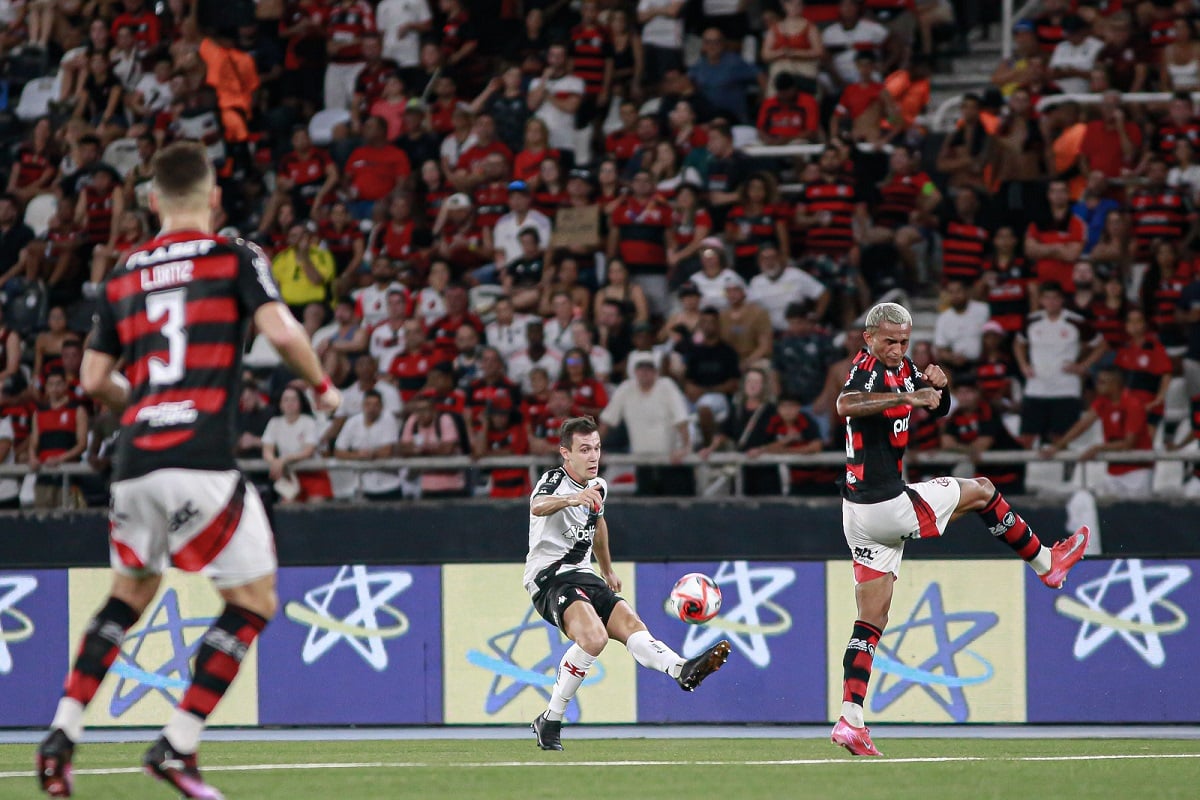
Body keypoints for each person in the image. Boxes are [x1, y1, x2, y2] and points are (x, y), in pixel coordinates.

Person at [37, 142, 342, 798]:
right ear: (214, 200)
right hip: (199, 459)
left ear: (151, 202)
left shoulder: (124, 271)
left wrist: (143, 404)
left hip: (132, 463)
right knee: (253, 601)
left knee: (129, 594)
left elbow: (94, 378)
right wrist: (322, 389)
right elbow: (285, 333)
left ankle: (63, 731)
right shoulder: (232, 256)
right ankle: (177, 744)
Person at [831, 302, 1089, 757]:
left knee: (871, 621)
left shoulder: (903, 368)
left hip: (859, 515)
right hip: (884, 503)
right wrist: (904, 398)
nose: (896, 350)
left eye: (903, 342)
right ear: (868, 339)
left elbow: (938, 406)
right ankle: (1047, 563)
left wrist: (939, 388)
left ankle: (850, 719)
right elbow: (845, 404)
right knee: (984, 490)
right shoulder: (867, 372)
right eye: (888, 341)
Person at [527, 416, 730, 751]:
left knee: (632, 626)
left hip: (584, 574)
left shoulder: (599, 486)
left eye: (596, 448)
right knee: (593, 637)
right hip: (549, 577)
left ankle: (680, 668)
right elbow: (537, 506)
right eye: (584, 449)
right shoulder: (554, 480)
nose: (593, 456)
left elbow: (599, 521)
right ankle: (552, 718)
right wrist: (572, 499)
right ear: (566, 453)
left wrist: (607, 569)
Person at [1041, 367, 1153, 498]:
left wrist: (1098, 448)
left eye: (1102, 382)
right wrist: (1057, 446)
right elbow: (1082, 425)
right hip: (1114, 470)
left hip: (1137, 471)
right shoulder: (1102, 402)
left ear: (1115, 384)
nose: (1097, 385)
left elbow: (1129, 443)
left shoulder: (1133, 405)